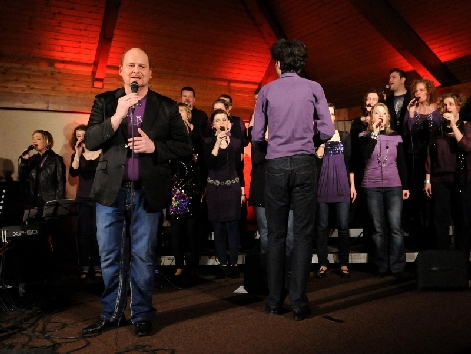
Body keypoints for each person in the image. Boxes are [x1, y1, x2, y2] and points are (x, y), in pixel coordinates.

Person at [81, 48, 192, 337]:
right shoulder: (105, 102)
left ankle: (142, 314)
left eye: (142, 66)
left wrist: (156, 148)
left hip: (147, 193)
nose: (136, 70)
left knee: (143, 257)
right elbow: (91, 141)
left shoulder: (166, 107)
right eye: (130, 65)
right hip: (110, 193)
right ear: (120, 70)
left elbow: (185, 147)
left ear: (150, 73)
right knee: (109, 256)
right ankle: (111, 313)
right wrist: (116, 117)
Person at [252, 39, 334, 321]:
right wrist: (308, 142)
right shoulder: (314, 88)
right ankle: (298, 302)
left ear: (278, 64)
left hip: (275, 165)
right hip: (304, 163)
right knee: (301, 235)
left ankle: (274, 301)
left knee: (274, 235)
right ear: (301, 64)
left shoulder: (267, 90)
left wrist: (273, 147)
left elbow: (255, 134)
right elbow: (327, 129)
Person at [359, 103, 409, 279]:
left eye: (384, 113)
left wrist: (406, 186)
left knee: (395, 227)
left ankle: (397, 266)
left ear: (388, 117)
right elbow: (365, 155)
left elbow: (402, 162)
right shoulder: (364, 136)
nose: (380, 116)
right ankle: (381, 264)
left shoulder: (396, 136)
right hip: (372, 186)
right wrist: (373, 134)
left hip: (393, 185)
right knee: (378, 229)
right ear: (371, 117)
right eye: (376, 113)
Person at [424, 93, 471, 260]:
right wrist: (428, 179)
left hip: (461, 179)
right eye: (444, 105)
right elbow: (430, 154)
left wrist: (454, 126)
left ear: (458, 107)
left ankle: (462, 264)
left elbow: (466, 146)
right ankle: (443, 264)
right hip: (439, 180)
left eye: (451, 104)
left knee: (462, 222)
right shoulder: (438, 130)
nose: (447, 108)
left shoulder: (467, 126)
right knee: (440, 221)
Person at [315, 103, 355, 279]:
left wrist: (352, 185)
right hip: (323, 185)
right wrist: (320, 148)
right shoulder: (316, 138)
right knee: (322, 226)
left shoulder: (344, 136)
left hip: (342, 185)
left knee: (343, 226)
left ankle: (344, 262)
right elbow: (313, 163)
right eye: (326, 114)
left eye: (331, 113)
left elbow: (350, 163)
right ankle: (323, 262)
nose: (329, 116)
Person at [204, 109, 244, 279]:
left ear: (229, 123)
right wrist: (217, 144)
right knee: (218, 229)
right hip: (215, 189)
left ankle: (234, 263)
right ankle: (222, 264)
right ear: (213, 124)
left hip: (232, 188)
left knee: (233, 228)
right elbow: (209, 164)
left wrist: (242, 190)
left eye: (224, 119)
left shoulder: (236, 143)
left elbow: (240, 168)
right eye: (217, 120)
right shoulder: (206, 142)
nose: (221, 122)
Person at [403, 79, 441, 250]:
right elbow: (407, 133)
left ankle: (434, 234)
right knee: (417, 198)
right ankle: (419, 236)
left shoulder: (436, 110)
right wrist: (410, 113)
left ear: (428, 91)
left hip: (434, 157)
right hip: (415, 157)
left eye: (421, 90)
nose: (417, 93)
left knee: (433, 197)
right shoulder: (412, 110)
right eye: (415, 90)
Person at [168, 103, 202, 278]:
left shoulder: (195, 134)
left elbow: (200, 157)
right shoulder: (171, 135)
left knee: (192, 229)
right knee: (177, 229)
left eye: (182, 113)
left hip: (193, 188)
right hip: (176, 189)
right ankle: (179, 264)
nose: (179, 116)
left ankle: (194, 264)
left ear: (188, 115)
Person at [69, 125, 101, 280]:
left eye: (83, 135)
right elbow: (73, 172)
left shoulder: (101, 152)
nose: (80, 138)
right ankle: (84, 266)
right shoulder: (78, 155)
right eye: (78, 136)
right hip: (82, 197)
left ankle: (97, 266)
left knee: (97, 233)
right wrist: (77, 154)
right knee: (82, 233)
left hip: (98, 198)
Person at [19, 130, 65, 209]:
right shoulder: (33, 159)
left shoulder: (55, 159)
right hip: (33, 201)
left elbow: (60, 182)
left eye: (38, 139)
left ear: (47, 141)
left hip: (48, 200)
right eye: (33, 139)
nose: (34, 141)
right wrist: (24, 161)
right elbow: (22, 177)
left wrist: (56, 203)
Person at [386, 68, 411, 137]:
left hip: (408, 137)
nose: (390, 80)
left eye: (394, 77)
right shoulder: (387, 100)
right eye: (390, 78)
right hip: (392, 137)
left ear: (402, 80)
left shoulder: (412, 97)